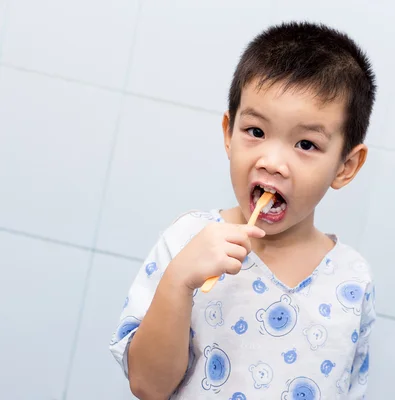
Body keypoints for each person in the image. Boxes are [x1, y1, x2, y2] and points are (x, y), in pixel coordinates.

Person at [109, 21, 377, 400]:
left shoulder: (353, 279)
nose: (273, 162)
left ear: (346, 166)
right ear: (228, 133)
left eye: (305, 143)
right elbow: (147, 386)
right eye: (255, 132)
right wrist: (179, 281)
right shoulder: (188, 240)